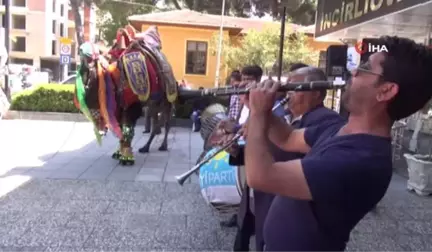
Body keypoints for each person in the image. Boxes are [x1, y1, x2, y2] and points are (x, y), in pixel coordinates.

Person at [242, 36, 432, 251]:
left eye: (366, 68)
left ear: (386, 90)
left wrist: (257, 113)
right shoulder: (339, 128)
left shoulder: (362, 160)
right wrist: (261, 108)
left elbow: (260, 176)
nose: (354, 72)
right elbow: (287, 138)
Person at [222, 66, 340, 252]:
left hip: (296, 220)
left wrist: (259, 117)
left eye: (295, 89)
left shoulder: (326, 121)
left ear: (316, 94)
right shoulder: (286, 115)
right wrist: (238, 148)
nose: (289, 94)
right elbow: (265, 149)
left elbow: (288, 155)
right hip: (263, 202)